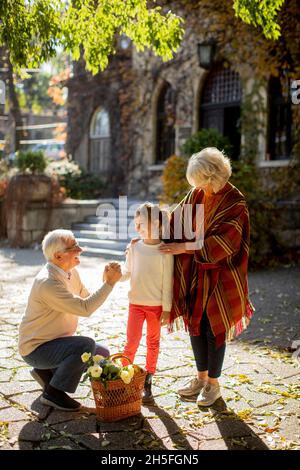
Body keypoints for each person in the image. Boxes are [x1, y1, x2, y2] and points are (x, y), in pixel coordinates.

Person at [159, 147, 254, 406]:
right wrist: (149, 233)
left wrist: (185, 247)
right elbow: (174, 219)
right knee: (195, 324)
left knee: (215, 328)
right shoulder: (198, 192)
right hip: (195, 273)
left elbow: (225, 244)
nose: (199, 190)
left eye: (202, 184)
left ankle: (213, 384)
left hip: (222, 275)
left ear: (213, 178)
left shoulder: (236, 202)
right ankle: (200, 378)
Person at [18, 229, 121, 411]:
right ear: (58, 256)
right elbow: (85, 308)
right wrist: (109, 284)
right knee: (85, 346)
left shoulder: (70, 272)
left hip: (54, 341)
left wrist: (105, 281)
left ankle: (47, 372)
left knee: (102, 353)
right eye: (74, 247)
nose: (80, 249)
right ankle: (53, 393)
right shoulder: (48, 282)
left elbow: (86, 297)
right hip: (35, 349)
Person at [120, 203, 174, 404]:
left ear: (156, 223)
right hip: (136, 304)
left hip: (156, 307)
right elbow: (127, 273)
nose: (136, 229)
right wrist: (115, 275)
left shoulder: (165, 250)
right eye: (135, 224)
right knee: (131, 342)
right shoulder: (135, 247)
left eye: (140, 224)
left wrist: (167, 309)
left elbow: (168, 282)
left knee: (153, 343)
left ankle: (147, 382)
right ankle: (123, 378)